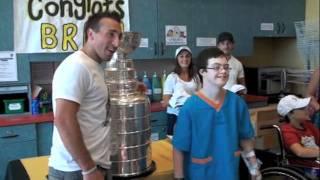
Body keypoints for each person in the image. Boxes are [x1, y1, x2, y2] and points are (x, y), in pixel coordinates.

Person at [48, 12, 122, 180]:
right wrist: (88, 169)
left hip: (93, 166)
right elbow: (63, 119)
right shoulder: (77, 66)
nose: (117, 43)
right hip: (77, 171)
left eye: (119, 36)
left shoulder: (93, 66)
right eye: (111, 34)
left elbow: (94, 101)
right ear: (91, 34)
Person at [172, 47, 261, 180]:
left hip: (229, 171)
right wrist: (179, 177)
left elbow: (245, 138)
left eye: (226, 67)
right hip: (200, 173)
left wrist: (254, 168)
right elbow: (179, 147)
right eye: (217, 67)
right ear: (203, 72)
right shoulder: (190, 107)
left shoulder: (236, 103)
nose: (223, 71)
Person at [161, 46, 201, 136]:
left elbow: (200, 95)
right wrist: (181, 106)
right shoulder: (172, 77)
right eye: (181, 56)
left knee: (192, 141)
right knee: (175, 143)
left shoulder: (196, 76)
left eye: (187, 56)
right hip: (175, 116)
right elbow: (166, 100)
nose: (185, 59)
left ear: (191, 58)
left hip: (192, 115)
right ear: (177, 59)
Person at [277, 95, 320, 168]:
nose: (307, 109)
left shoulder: (308, 125)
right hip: (307, 166)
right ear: (290, 114)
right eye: (302, 108)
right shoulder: (287, 130)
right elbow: (300, 152)